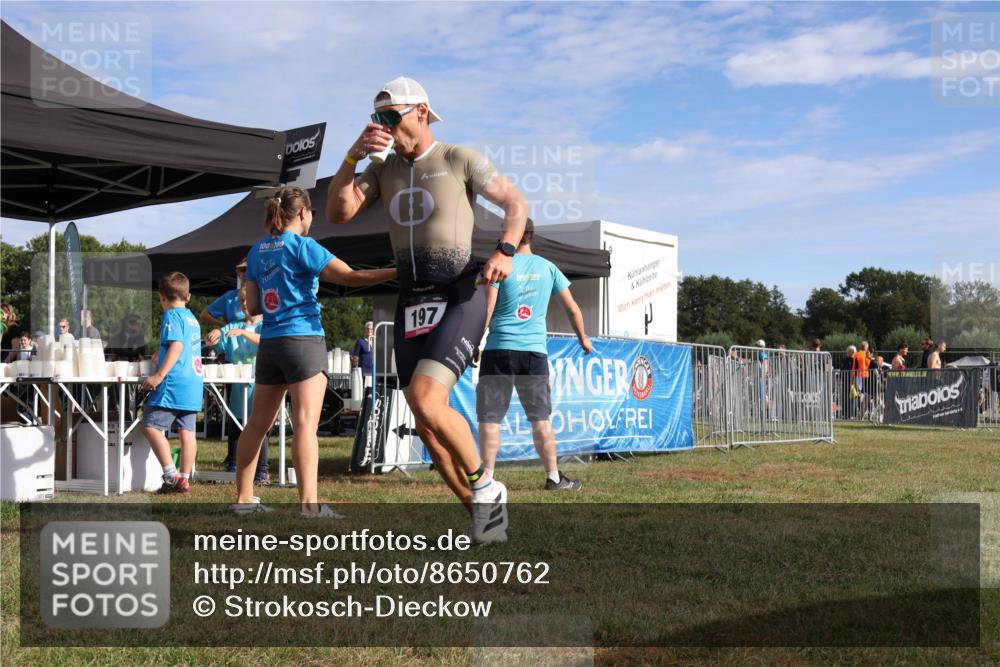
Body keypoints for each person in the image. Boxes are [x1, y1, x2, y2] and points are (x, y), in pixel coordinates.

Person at [326, 76, 528, 542]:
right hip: (411, 299)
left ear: (420, 111)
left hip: (460, 292)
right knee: (427, 428)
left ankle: (486, 485)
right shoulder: (380, 170)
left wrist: (506, 250)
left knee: (424, 398)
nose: (382, 125)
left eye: (389, 116)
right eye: (376, 118)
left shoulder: (458, 158)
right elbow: (339, 213)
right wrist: (352, 156)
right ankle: (485, 514)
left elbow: (516, 203)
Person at [232, 186, 395, 516]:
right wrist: (399, 273)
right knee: (305, 425)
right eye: (313, 213)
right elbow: (351, 277)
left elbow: (252, 307)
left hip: (272, 341)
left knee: (257, 424)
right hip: (304, 339)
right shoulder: (303, 246)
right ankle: (310, 507)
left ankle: (244, 500)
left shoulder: (256, 251)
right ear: (303, 213)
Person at [477, 220, 592, 492]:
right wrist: (583, 339)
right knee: (541, 419)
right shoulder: (548, 267)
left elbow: (487, 309)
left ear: (511, 235)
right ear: (532, 236)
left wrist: (473, 344)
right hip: (533, 353)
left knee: (490, 418)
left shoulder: (499, 265)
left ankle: (487, 478)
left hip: (498, 349)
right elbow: (573, 309)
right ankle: (553, 478)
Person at [139, 272, 204, 495]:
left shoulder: (171, 316)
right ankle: (184, 478)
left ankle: (170, 475)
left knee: (150, 424)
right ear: (188, 296)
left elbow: (177, 346)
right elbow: (181, 345)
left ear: (162, 297)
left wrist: (158, 375)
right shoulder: (192, 318)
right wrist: (161, 352)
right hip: (193, 381)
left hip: (173, 381)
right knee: (187, 431)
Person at [210, 287, 267, 483]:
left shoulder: (266, 325)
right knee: (236, 424)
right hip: (237, 387)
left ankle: (262, 470)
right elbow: (220, 341)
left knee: (260, 427)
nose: (244, 304)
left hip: (260, 385)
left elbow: (265, 341)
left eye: (248, 300)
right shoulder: (233, 326)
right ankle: (233, 464)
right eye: (241, 301)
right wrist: (215, 334)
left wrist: (243, 333)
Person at [200, 258, 248, 340]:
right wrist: (225, 326)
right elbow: (204, 315)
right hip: (234, 344)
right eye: (242, 270)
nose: (245, 273)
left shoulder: (263, 294)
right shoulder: (229, 297)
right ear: (238, 274)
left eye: (248, 270)